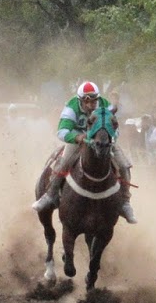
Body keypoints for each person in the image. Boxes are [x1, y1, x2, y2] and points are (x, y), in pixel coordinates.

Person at [31, 81, 137, 223]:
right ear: (80, 100)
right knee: (63, 162)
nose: (90, 105)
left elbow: (115, 127)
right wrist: (78, 137)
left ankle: (125, 202)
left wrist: (109, 138)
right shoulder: (71, 107)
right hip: (78, 140)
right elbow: (62, 131)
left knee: (124, 165)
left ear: (97, 99)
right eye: (86, 102)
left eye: (93, 101)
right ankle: (51, 194)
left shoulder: (105, 105)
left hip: (102, 140)